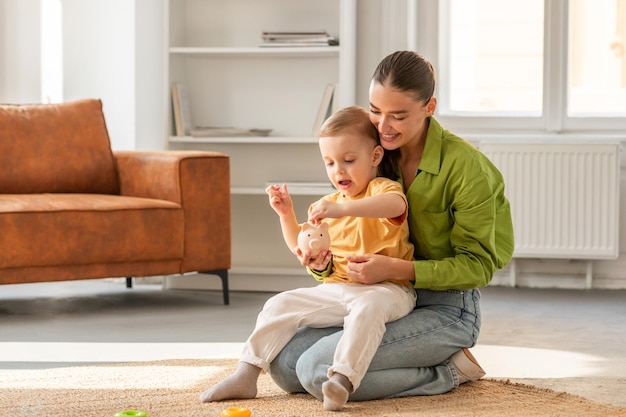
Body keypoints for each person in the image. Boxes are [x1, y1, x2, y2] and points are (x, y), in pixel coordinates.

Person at [268, 50, 515, 401]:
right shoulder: (372, 151)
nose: (382, 126)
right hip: (372, 299)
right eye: (375, 110)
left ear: (429, 107)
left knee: (314, 371)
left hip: (446, 307)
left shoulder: (467, 169)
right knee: (283, 362)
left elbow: (479, 266)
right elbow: (346, 237)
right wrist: (323, 265)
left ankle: (448, 371)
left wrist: (396, 268)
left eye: (398, 116)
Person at [199, 105, 417, 411]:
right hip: (338, 290)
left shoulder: (382, 189)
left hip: (389, 289)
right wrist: (286, 215)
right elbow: (302, 246)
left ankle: (341, 380)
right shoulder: (326, 204)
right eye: (329, 163)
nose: (338, 171)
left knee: (368, 307)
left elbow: (394, 206)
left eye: (348, 160)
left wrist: (343, 209)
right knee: (279, 304)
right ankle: (245, 374)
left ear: (375, 157)